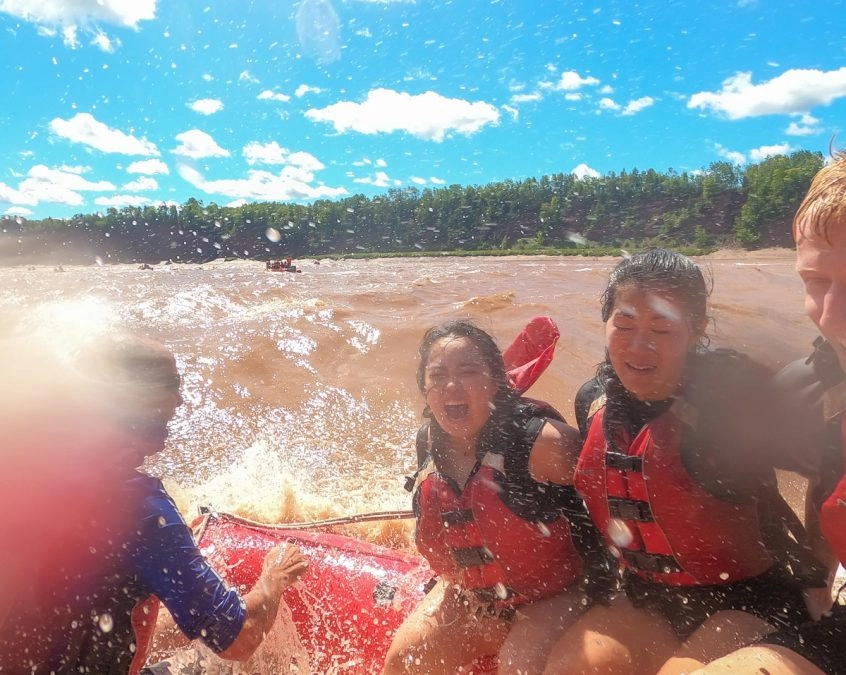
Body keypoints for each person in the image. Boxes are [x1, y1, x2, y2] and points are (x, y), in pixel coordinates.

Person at [542, 248, 826, 675]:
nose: (640, 345)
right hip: (649, 595)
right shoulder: (592, 400)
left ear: (696, 331)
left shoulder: (728, 401)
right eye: (624, 324)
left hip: (750, 599)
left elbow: (828, 468)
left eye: (662, 328)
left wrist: (821, 579)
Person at [0, 329, 310, 674]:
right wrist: (273, 578)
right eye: (171, 384)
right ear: (135, 399)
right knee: (213, 664)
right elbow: (239, 639)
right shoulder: (139, 508)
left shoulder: (28, 471)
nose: (179, 400)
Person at [681, 153, 846, 675]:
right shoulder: (816, 388)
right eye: (816, 280)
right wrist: (817, 580)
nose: (833, 315)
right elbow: (828, 474)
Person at [382, 319, 608, 675]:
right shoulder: (427, 441)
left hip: (553, 596)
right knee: (403, 662)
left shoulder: (541, 443)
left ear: (496, 382)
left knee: (518, 665)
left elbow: (612, 501)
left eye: (468, 371)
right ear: (424, 388)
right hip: (470, 596)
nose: (451, 386)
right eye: (437, 375)